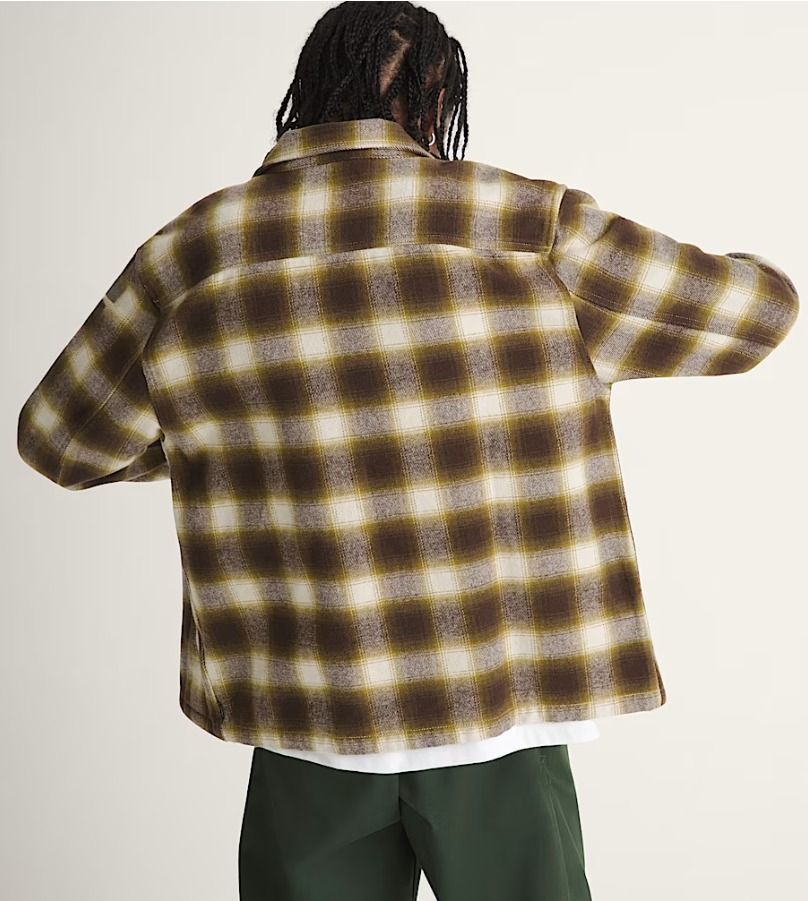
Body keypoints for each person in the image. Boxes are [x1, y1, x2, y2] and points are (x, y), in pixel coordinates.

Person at [16, 2, 799, 899]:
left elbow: (59, 440)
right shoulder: (528, 227)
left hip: (304, 712)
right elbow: (761, 313)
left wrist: (230, 432)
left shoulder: (194, 253)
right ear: (436, 98)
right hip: (495, 709)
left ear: (310, 92)